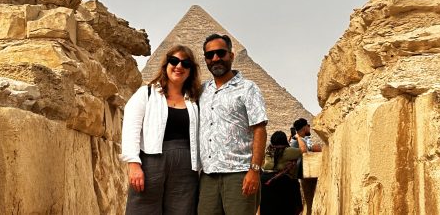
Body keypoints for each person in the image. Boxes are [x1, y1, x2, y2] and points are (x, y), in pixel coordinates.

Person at [120, 44, 202, 215]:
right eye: (174, 61)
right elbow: (131, 128)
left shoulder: (195, 101)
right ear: (166, 65)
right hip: (151, 163)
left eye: (186, 64)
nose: (179, 66)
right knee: (142, 210)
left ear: (191, 70)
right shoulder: (146, 93)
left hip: (186, 168)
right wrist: (134, 164)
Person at [197, 33, 268, 215]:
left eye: (221, 53)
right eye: (210, 55)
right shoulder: (202, 90)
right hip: (208, 176)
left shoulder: (248, 88)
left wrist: (254, 170)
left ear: (231, 55)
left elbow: (259, 129)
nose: (215, 58)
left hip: (239, 174)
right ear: (205, 59)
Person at [260, 131, 307, 215]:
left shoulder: (269, 150)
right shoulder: (288, 151)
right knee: (285, 209)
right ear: (284, 141)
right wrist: (298, 137)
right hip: (281, 181)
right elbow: (303, 149)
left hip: (265, 181)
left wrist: (289, 139)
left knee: (268, 209)